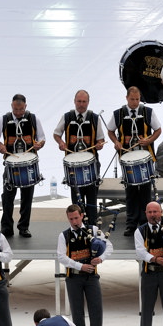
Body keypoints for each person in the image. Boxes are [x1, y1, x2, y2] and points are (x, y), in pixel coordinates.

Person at [0, 93, 46, 238]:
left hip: (29, 165)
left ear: (25, 106)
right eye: (15, 109)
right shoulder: (4, 119)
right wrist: (0, 144)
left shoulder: (33, 119)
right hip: (10, 165)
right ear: (12, 106)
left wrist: (39, 144)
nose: (18, 113)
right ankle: (6, 227)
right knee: (7, 197)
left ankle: (24, 227)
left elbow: (42, 138)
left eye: (20, 110)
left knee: (27, 197)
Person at [107, 86, 163, 236]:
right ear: (127, 98)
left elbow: (158, 130)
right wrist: (116, 142)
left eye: (137, 99)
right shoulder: (118, 114)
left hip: (144, 158)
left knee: (145, 191)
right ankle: (131, 223)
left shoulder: (148, 112)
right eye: (132, 99)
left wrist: (149, 140)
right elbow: (110, 130)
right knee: (130, 191)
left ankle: (145, 222)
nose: (135, 102)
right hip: (127, 158)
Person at [56, 204, 112, 326]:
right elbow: (61, 257)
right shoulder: (64, 235)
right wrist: (80, 266)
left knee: (96, 308)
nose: (74, 221)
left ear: (82, 216)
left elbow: (109, 246)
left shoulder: (93, 230)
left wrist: (100, 258)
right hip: (73, 277)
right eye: (71, 219)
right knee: (77, 311)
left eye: (76, 218)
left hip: (91, 276)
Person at [53, 89, 106, 226]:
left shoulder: (95, 118)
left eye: (84, 102)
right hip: (73, 166)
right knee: (77, 199)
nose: (81, 104)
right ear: (74, 102)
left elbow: (101, 139)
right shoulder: (67, 117)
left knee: (92, 199)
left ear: (88, 102)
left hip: (91, 165)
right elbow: (56, 134)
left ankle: (92, 226)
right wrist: (61, 143)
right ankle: (78, 226)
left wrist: (100, 145)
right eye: (79, 101)